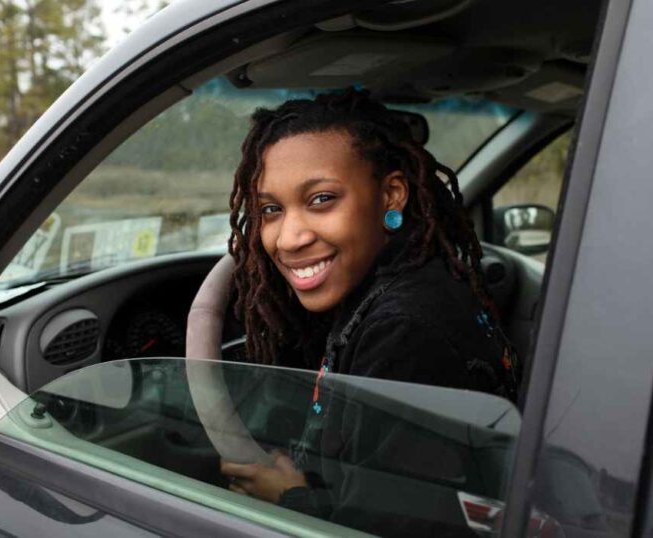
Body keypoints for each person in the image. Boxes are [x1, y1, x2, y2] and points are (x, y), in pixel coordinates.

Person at [220, 89, 520, 535]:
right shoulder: (410, 281)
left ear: (391, 195)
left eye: (321, 199)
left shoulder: (404, 331)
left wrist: (286, 496)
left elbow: (381, 528)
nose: (288, 238)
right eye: (271, 210)